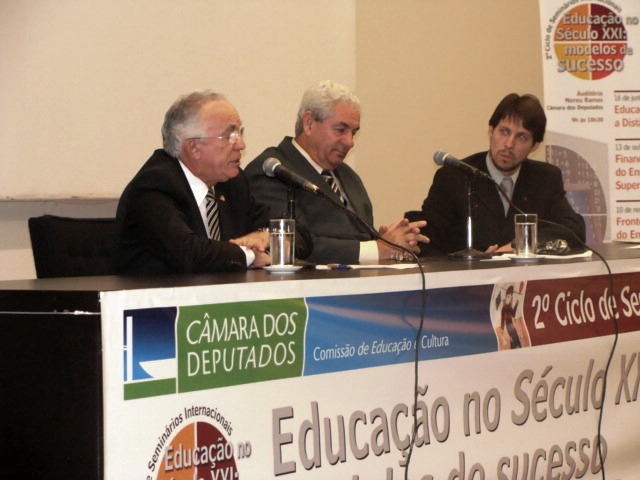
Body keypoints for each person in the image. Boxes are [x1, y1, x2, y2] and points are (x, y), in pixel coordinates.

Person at [115, 90, 309, 275]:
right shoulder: (153, 187)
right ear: (194, 148)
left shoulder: (232, 183)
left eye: (240, 133)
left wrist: (268, 237)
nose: (241, 144)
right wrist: (249, 255)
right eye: (230, 136)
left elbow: (302, 237)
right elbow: (188, 253)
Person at [244, 80, 428, 264]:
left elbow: (358, 238)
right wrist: (377, 249)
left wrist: (389, 242)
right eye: (341, 130)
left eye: (353, 133)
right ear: (309, 123)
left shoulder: (349, 177)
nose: (350, 142)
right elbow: (292, 243)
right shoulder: (273, 171)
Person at [414, 93, 585, 257]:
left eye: (522, 137)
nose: (509, 144)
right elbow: (429, 242)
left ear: (534, 146)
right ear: (491, 131)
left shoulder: (545, 178)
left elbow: (573, 229)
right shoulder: (454, 177)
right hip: (468, 276)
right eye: (504, 132)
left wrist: (518, 245)